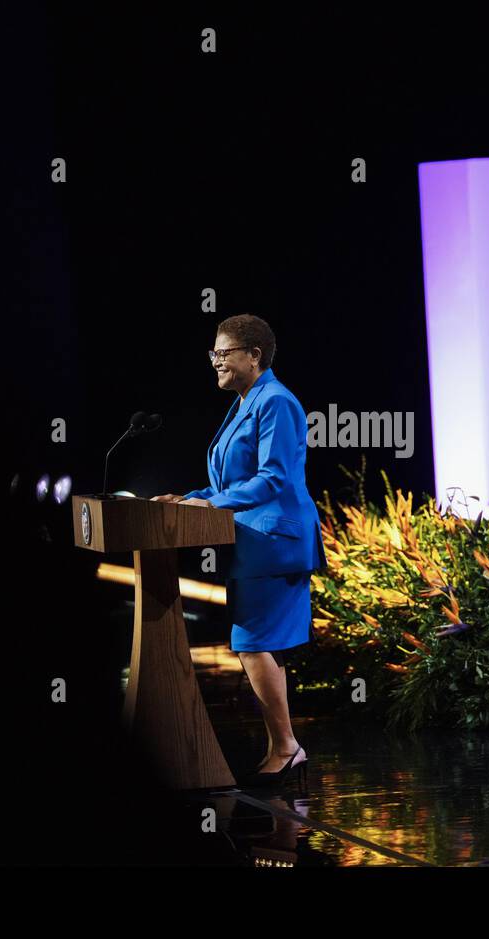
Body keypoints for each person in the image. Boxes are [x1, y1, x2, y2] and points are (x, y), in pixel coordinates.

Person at [152, 313, 324, 789]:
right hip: (255, 541)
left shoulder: (277, 402)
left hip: (275, 540)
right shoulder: (248, 401)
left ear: (255, 355)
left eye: (224, 353)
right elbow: (232, 481)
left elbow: (274, 479)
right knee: (259, 645)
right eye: (214, 354)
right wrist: (190, 496)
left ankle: (288, 747)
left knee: (251, 645)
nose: (216, 362)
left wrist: (206, 503)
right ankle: (283, 747)